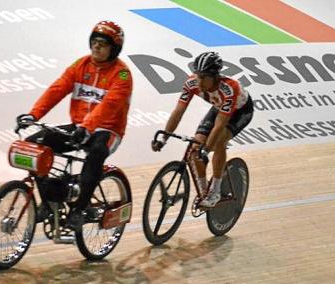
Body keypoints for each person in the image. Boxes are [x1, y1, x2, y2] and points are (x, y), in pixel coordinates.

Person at [16, 20, 132, 227]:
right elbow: (57, 89)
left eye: (103, 44)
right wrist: (33, 115)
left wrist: (87, 127)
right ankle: (48, 200)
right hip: (80, 126)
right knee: (34, 145)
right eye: (94, 42)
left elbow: (108, 105)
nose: (96, 46)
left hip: (108, 130)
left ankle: (80, 208)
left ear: (114, 50)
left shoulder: (122, 74)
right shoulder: (81, 65)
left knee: (96, 152)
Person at [152, 51, 254, 207]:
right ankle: (203, 191)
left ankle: (215, 192)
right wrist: (164, 138)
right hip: (219, 107)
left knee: (219, 141)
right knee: (195, 148)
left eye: (203, 77)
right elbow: (179, 111)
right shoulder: (192, 83)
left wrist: (206, 150)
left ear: (215, 77)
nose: (199, 81)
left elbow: (220, 124)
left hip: (240, 111)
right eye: (197, 75)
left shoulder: (229, 88)